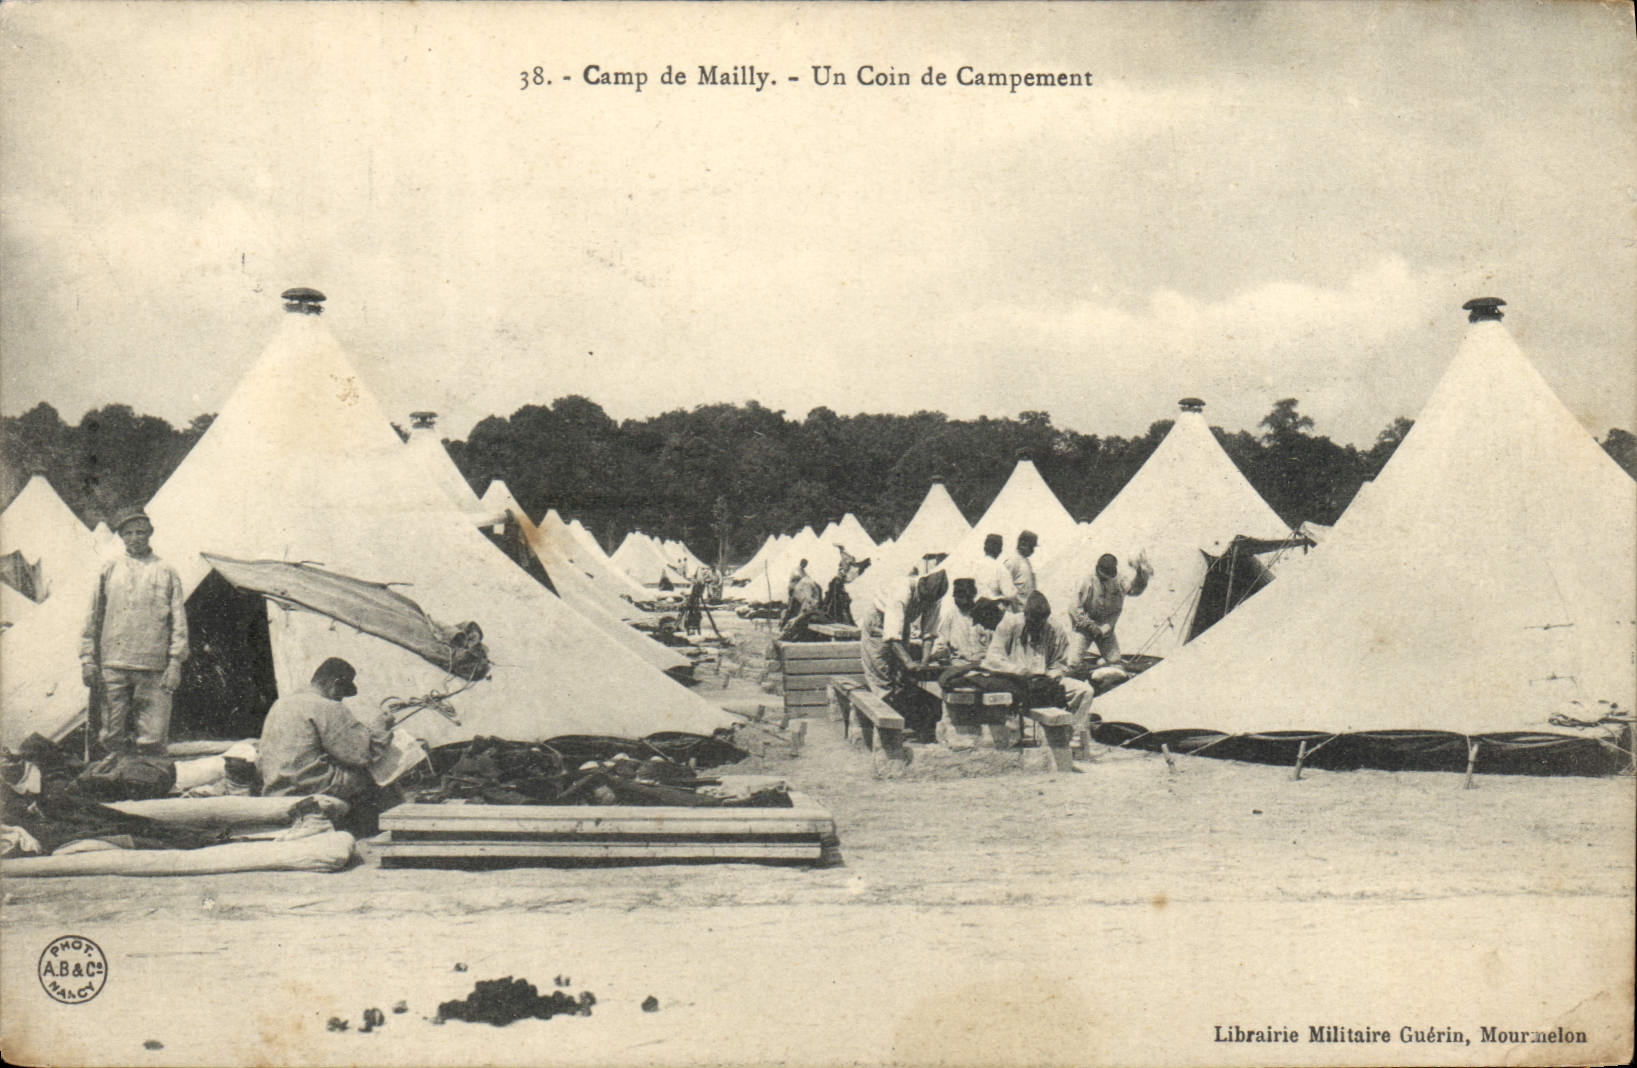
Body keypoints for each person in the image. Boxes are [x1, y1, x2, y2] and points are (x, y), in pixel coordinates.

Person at [79, 508, 189, 756]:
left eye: (140, 532)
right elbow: (92, 617)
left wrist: (175, 663)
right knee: (111, 735)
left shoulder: (166, 571)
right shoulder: (109, 569)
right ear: (121, 536)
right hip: (113, 666)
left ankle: (148, 776)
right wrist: (87, 659)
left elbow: (179, 622)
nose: (135, 538)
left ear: (150, 533)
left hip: (154, 668)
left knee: (154, 737)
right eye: (128, 533)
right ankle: (116, 775)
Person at [258, 657, 392, 803]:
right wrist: (380, 727)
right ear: (336, 683)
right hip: (310, 787)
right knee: (376, 774)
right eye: (342, 693)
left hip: (277, 788)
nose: (341, 699)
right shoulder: (328, 706)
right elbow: (360, 755)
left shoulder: (281, 704)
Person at [980, 591, 1096, 752]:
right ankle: (1011, 741)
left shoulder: (1055, 628)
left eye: (1040, 622)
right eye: (1032, 621)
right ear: (1025, 615)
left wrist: (1053, 674)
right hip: (1017, 681)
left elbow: (1060, 661)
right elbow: (993, 657)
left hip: (1044, 682)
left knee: (1085, 691)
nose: (1036, 626)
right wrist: (1017, 670)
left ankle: (1073, 739)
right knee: (1003, 695)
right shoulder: (1009, 624)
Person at [859, 568, 949, 739]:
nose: (926, 603)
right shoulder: (901, 592)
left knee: (901, 676)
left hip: (903, 621)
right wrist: (909, 662)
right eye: (924, 600)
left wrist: (924, 662)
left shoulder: (934, 598)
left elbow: (929, 633)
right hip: (879, 620)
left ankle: (906, 721)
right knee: (881, 673)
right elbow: (892, 637)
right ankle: (888, 730)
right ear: (920, 587)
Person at [1068, 552, 1153, 667]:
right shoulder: (1085, 580)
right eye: (1104, 576)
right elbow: (1073, 608)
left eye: (1109, 576)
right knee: (1073, 662)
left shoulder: (1118, 578)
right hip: (1085, 627)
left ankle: (1102, 666)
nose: (1107, 579)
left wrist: (1140, 576)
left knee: (1115, 662)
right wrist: (1091, 627)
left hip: (1106, 627)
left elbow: (1133, 591)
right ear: (1097, 569)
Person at [778, 572, 827, 642]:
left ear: (794, 582)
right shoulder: (805, 583)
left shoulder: (802, 585)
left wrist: (797, 618)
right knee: (796, 622)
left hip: (815, 614)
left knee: (797, 623)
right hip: (814, 613)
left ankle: (786, 639)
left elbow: (809, 606)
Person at [973, 534, 1016, 605]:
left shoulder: (974, 565)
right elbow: (1009, 594)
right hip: (992, 608)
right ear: (999, 550)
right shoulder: (1000, 568)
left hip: (975, 607)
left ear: (985, 547)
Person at [1004, 530, 1039, 612]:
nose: (1033, 551)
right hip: (1017, 611)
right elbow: (1004, 588)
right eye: (1031, 547)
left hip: (1027, 610)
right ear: (1023, 544)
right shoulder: (1012, 561)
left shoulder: (1025, 561)